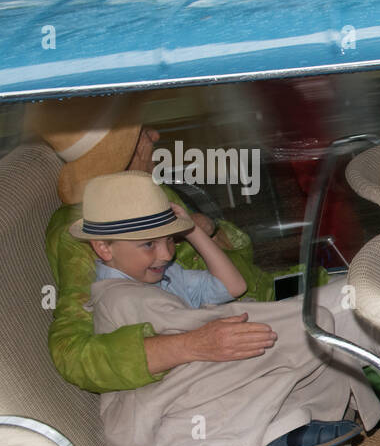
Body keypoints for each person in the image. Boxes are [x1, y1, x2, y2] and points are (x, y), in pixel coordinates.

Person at [74, 172, 380, 446]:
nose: (165, 254)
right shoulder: (117, 298)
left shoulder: (164, 275)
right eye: (149, 244)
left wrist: (192, 232)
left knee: (303, 345)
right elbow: (199, 330)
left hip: (196, 380)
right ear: (103, 248)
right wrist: (264, 320)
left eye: (170, 241)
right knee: (312, 330)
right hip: (160, 402)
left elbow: (231, 287)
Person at [28, 94, 281, 395]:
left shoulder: (147, 190)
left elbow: (230, 272)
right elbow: (75, 354)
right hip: (229, 349)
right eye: (142, 132)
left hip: (260, 298)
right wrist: (192, 344)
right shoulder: (82, 234)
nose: (155, 136)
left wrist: (208, 228)